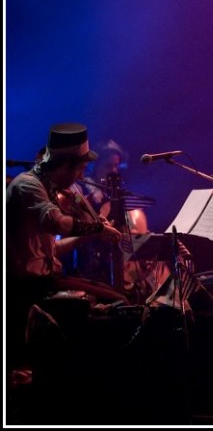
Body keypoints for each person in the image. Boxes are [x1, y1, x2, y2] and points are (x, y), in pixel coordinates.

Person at [6, 123, 129, 368]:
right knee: (114, 306)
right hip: (22, 288)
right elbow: (58, 223)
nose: (82, 177)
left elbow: (53, 250)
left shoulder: (47, 188)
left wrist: (88, 236)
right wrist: (95, 227)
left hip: (43, 282)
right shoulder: (28, 186)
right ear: (64, 166)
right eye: (81, 168)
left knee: (118, 301)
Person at [67, 139, 167, 304]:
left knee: (160, 266)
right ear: (94, 166)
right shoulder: (82, 193)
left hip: (122, 262)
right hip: (95, 264)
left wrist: (142, 241)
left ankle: (175, 303)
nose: (114, 171)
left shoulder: (113, 195)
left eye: (116, 166)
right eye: (108, 166)